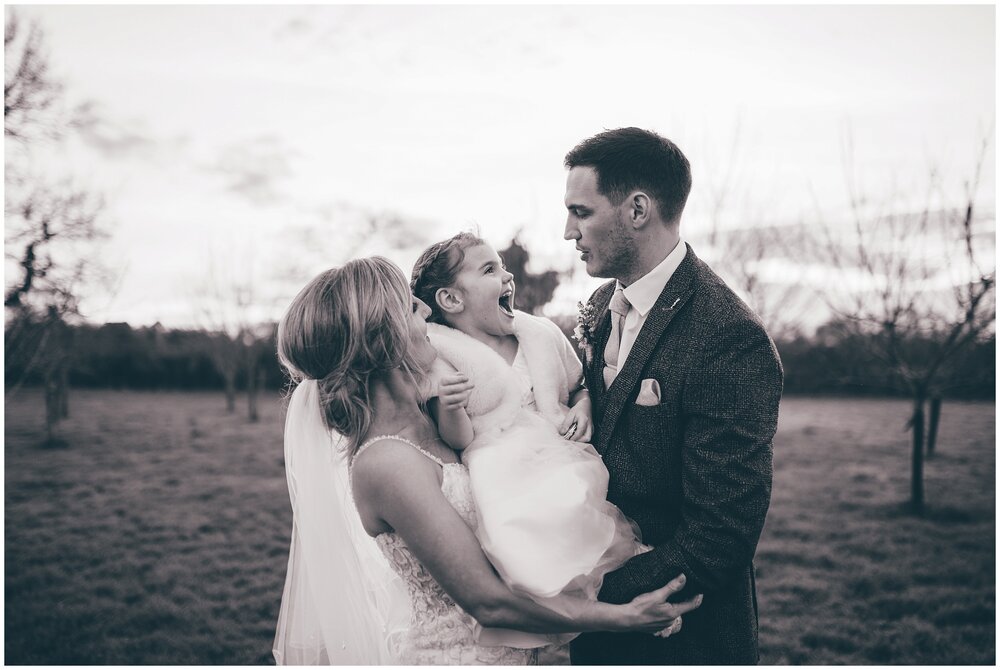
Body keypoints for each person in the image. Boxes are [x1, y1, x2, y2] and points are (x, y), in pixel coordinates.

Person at [271, 256, 702, 665]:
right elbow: (486, 601)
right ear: (377, 340)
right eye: (408, 305)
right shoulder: (386, 463)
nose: (424, 312)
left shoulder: (431, 420)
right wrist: (624, 617)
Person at [562, 127, 783, 665]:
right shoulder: (597, 303)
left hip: (681, 636)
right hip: (595, 639)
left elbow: (720, 535)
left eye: (581, 212)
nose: (568, 231)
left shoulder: (727, 335)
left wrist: (579, 597)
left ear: (637, 209)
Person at [410, 234, 647, 650]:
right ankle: (533, 602)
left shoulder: (538, 333)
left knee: (579, 502)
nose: (507, 275)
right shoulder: (442, 354)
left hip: (557, 447)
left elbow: (577, 387)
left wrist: (583, 407)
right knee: (516, 528)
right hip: (497, 457)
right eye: (489, 270)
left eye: (501, 266)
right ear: (450, 300)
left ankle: (609, 584)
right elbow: (458, 439)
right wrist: (450, 407)